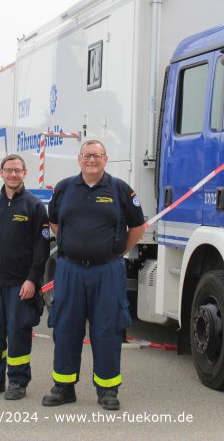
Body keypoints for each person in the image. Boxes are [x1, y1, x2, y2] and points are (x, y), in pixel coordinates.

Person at [42, 139, 145, 411]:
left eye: (97, 156)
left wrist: (117, 250)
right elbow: (54, 223)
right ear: (79, 159)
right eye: (87, 155)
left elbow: (138, 226)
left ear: (105, 159)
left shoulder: (120, 189)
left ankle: (108, 390)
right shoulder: (64, 188)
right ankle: (63, 387)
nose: (91, 160)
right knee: (65, 328)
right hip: (70, 269)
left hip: (107, 271)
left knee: (107, 329)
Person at [0, 154, 49, 401]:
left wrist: (32, 279)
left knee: (18, 333)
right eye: (8, 170)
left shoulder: (35, 207)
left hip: (20, 284)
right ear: (2, 172)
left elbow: (42, 248)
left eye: (17, 170)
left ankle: (17, 381)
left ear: (25, 173)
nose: (13, 175)